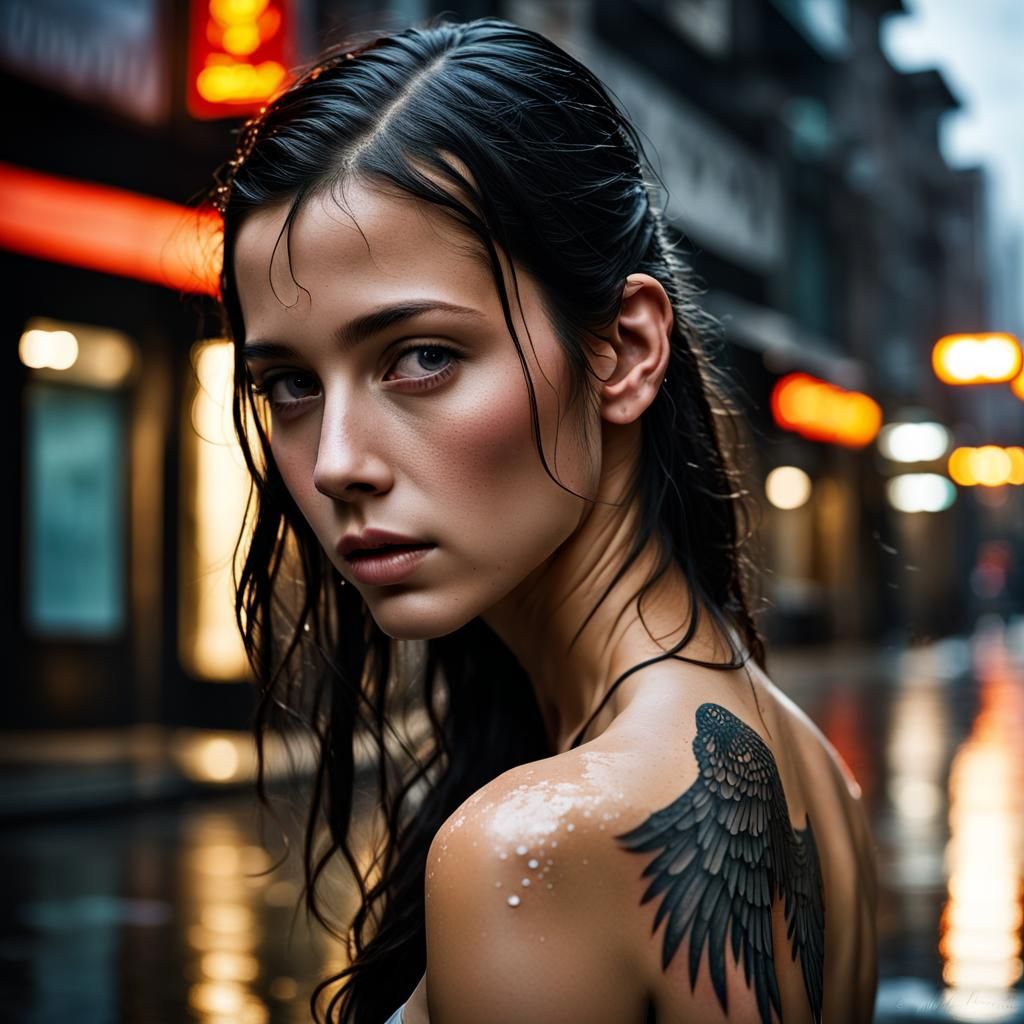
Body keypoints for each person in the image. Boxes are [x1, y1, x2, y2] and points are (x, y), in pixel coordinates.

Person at [211, 15, 878, 1024]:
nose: (337, 461)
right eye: (291, 383)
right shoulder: (810, 772)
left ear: (623, 350)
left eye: (421, 355)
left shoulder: (535, 843)